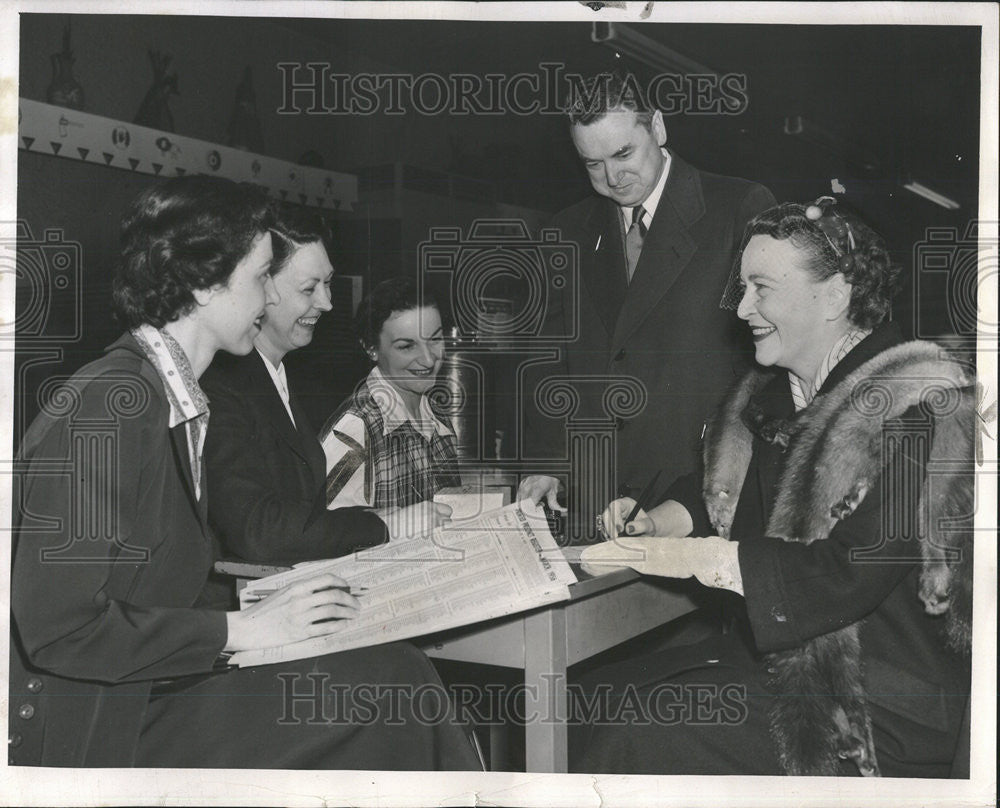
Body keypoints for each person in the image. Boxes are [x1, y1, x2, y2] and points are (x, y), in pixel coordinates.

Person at [8, 176, 481, 770]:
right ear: (207, 283)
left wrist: (272, 608)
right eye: (262, 277)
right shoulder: (112, 401)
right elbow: (58, 630)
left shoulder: (170, 395)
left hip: (145, 689)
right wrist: (243, 628)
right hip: (96, 726)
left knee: (392, 671)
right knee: (391, 689)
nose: (269, 299)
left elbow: (157, 582)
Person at [577, 198, 973, 777]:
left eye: (761, 288)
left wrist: (697, 557)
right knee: (580, 699)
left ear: (835, 295)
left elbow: (847, 572)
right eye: (742, 288)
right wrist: (661, 520)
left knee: (635, 735)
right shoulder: (774, 396)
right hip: (781, 663)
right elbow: (721, 486)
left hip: (883, 698)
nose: (741, 309)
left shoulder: (914, 410)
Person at [518, 72, 775, 533]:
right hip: (592, 498)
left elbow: (762, 368)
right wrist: (547, 461)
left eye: (623, 154)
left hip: (695, 494)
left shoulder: (736, 208)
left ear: (656, 128)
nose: (612, 177)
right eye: (592, 164)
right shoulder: (567, 230)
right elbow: (547, 360)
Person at [200, 208, 389, 564]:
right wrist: (381, 526)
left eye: (328, 283)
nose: (327, 303)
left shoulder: (287, 377)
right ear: (261, 287)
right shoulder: (221, 388)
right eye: (309, 288)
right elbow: (259, 530)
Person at [320, 277, 458, 536]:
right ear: (371, 349)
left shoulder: (438, 417)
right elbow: (326, 535)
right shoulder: (353, 430)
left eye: (435, 340)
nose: (428, 359)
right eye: (407, 346)